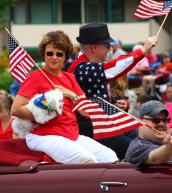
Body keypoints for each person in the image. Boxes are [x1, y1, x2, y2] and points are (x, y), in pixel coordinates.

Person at [11, 30, 118, 164]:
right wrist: (43, 113)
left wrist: (72, 95)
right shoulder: (36, 77)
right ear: (43, 55)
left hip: (72, 135)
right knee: (87, 160)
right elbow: (15, 109)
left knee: (111, 158)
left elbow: (85, 111)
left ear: (65, 57)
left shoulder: (70, 78)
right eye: (49, 53)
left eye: (59, 54)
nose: (54, 57)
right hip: (44, 135)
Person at [68, 23, 158, 160]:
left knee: (150, 137)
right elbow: (111, 69)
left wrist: (114, 106)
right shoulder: (80, 67)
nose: (110, 49)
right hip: (93, 129)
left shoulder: (87, 66)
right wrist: (142, 51)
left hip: (107, 124)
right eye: (107, 46)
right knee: (141, 150)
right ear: (94, 47)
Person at [125, 100, 172, 166]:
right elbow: (154, 159)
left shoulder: (164, 144)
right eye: (155, 120)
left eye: (165, 120)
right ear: (140, 122)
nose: (161, 124)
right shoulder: (137, 147)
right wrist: (169, 148)